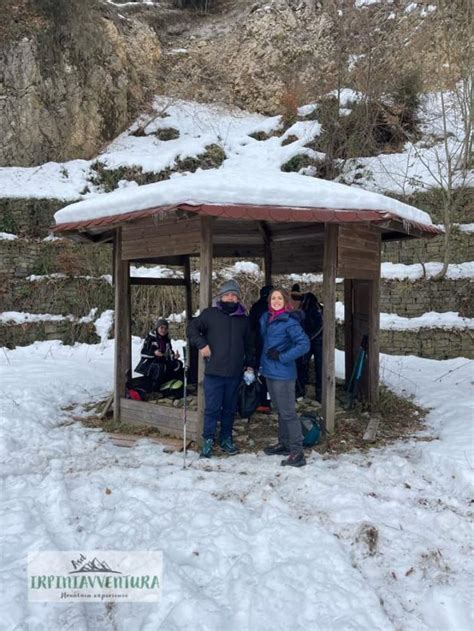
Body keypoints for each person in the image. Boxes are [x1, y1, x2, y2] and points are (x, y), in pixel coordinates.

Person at [187, 279, 256, 458]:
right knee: (211, 409)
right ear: (221, 296)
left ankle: (226, 438)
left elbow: (249, 344)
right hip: (214, 372)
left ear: (238, 298)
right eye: (227, 294)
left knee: (229, 409)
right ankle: (208, 440)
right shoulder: (210, 314)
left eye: (234, 295)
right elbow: (192, 329)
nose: (230, 298)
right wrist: (201, 344)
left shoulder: (244, 319)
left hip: (234, 373)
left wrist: (250, 365)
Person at [260, 287, 310, 467]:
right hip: (269, 371)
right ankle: (284, 444)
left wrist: (283, 357)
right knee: (280, 410)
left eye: (279, 298)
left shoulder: (289, 321)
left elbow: (304, 344)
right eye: (273, 298)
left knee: (288, 412)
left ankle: (297, 452)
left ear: (285, 301)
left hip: (283, 374)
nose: (276, 301)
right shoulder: (268, 318)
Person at [291, 285, 323, 402]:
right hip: (306, 338)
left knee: (320, 367)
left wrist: (308, 338)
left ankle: (321, 394)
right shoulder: (297, 308)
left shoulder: (312, 307)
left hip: (318, 339)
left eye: (295, 302)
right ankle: (300, 391)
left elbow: (320, 324)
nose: (293, 305)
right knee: (301, 363)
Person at [135, 319, 183, 392]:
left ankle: (169, 385)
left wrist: (174, 356)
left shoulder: (167, 339)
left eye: (165, 328)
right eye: (161, 327)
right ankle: (154, 390)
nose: (163, 330)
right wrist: (154, 353)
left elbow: (169, 352)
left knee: (178, 364)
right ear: (157, 328)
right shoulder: (150, 338)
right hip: (149, 363)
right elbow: (143, 353)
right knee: (160, 366)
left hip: (163, 361)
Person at [249, 285, 273, 412]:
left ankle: (260, 401)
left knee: (259, 373)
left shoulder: (255, 307)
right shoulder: (273, 307)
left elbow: (250, 326)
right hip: (272, 346)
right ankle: (269, 401)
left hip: (257, 345)